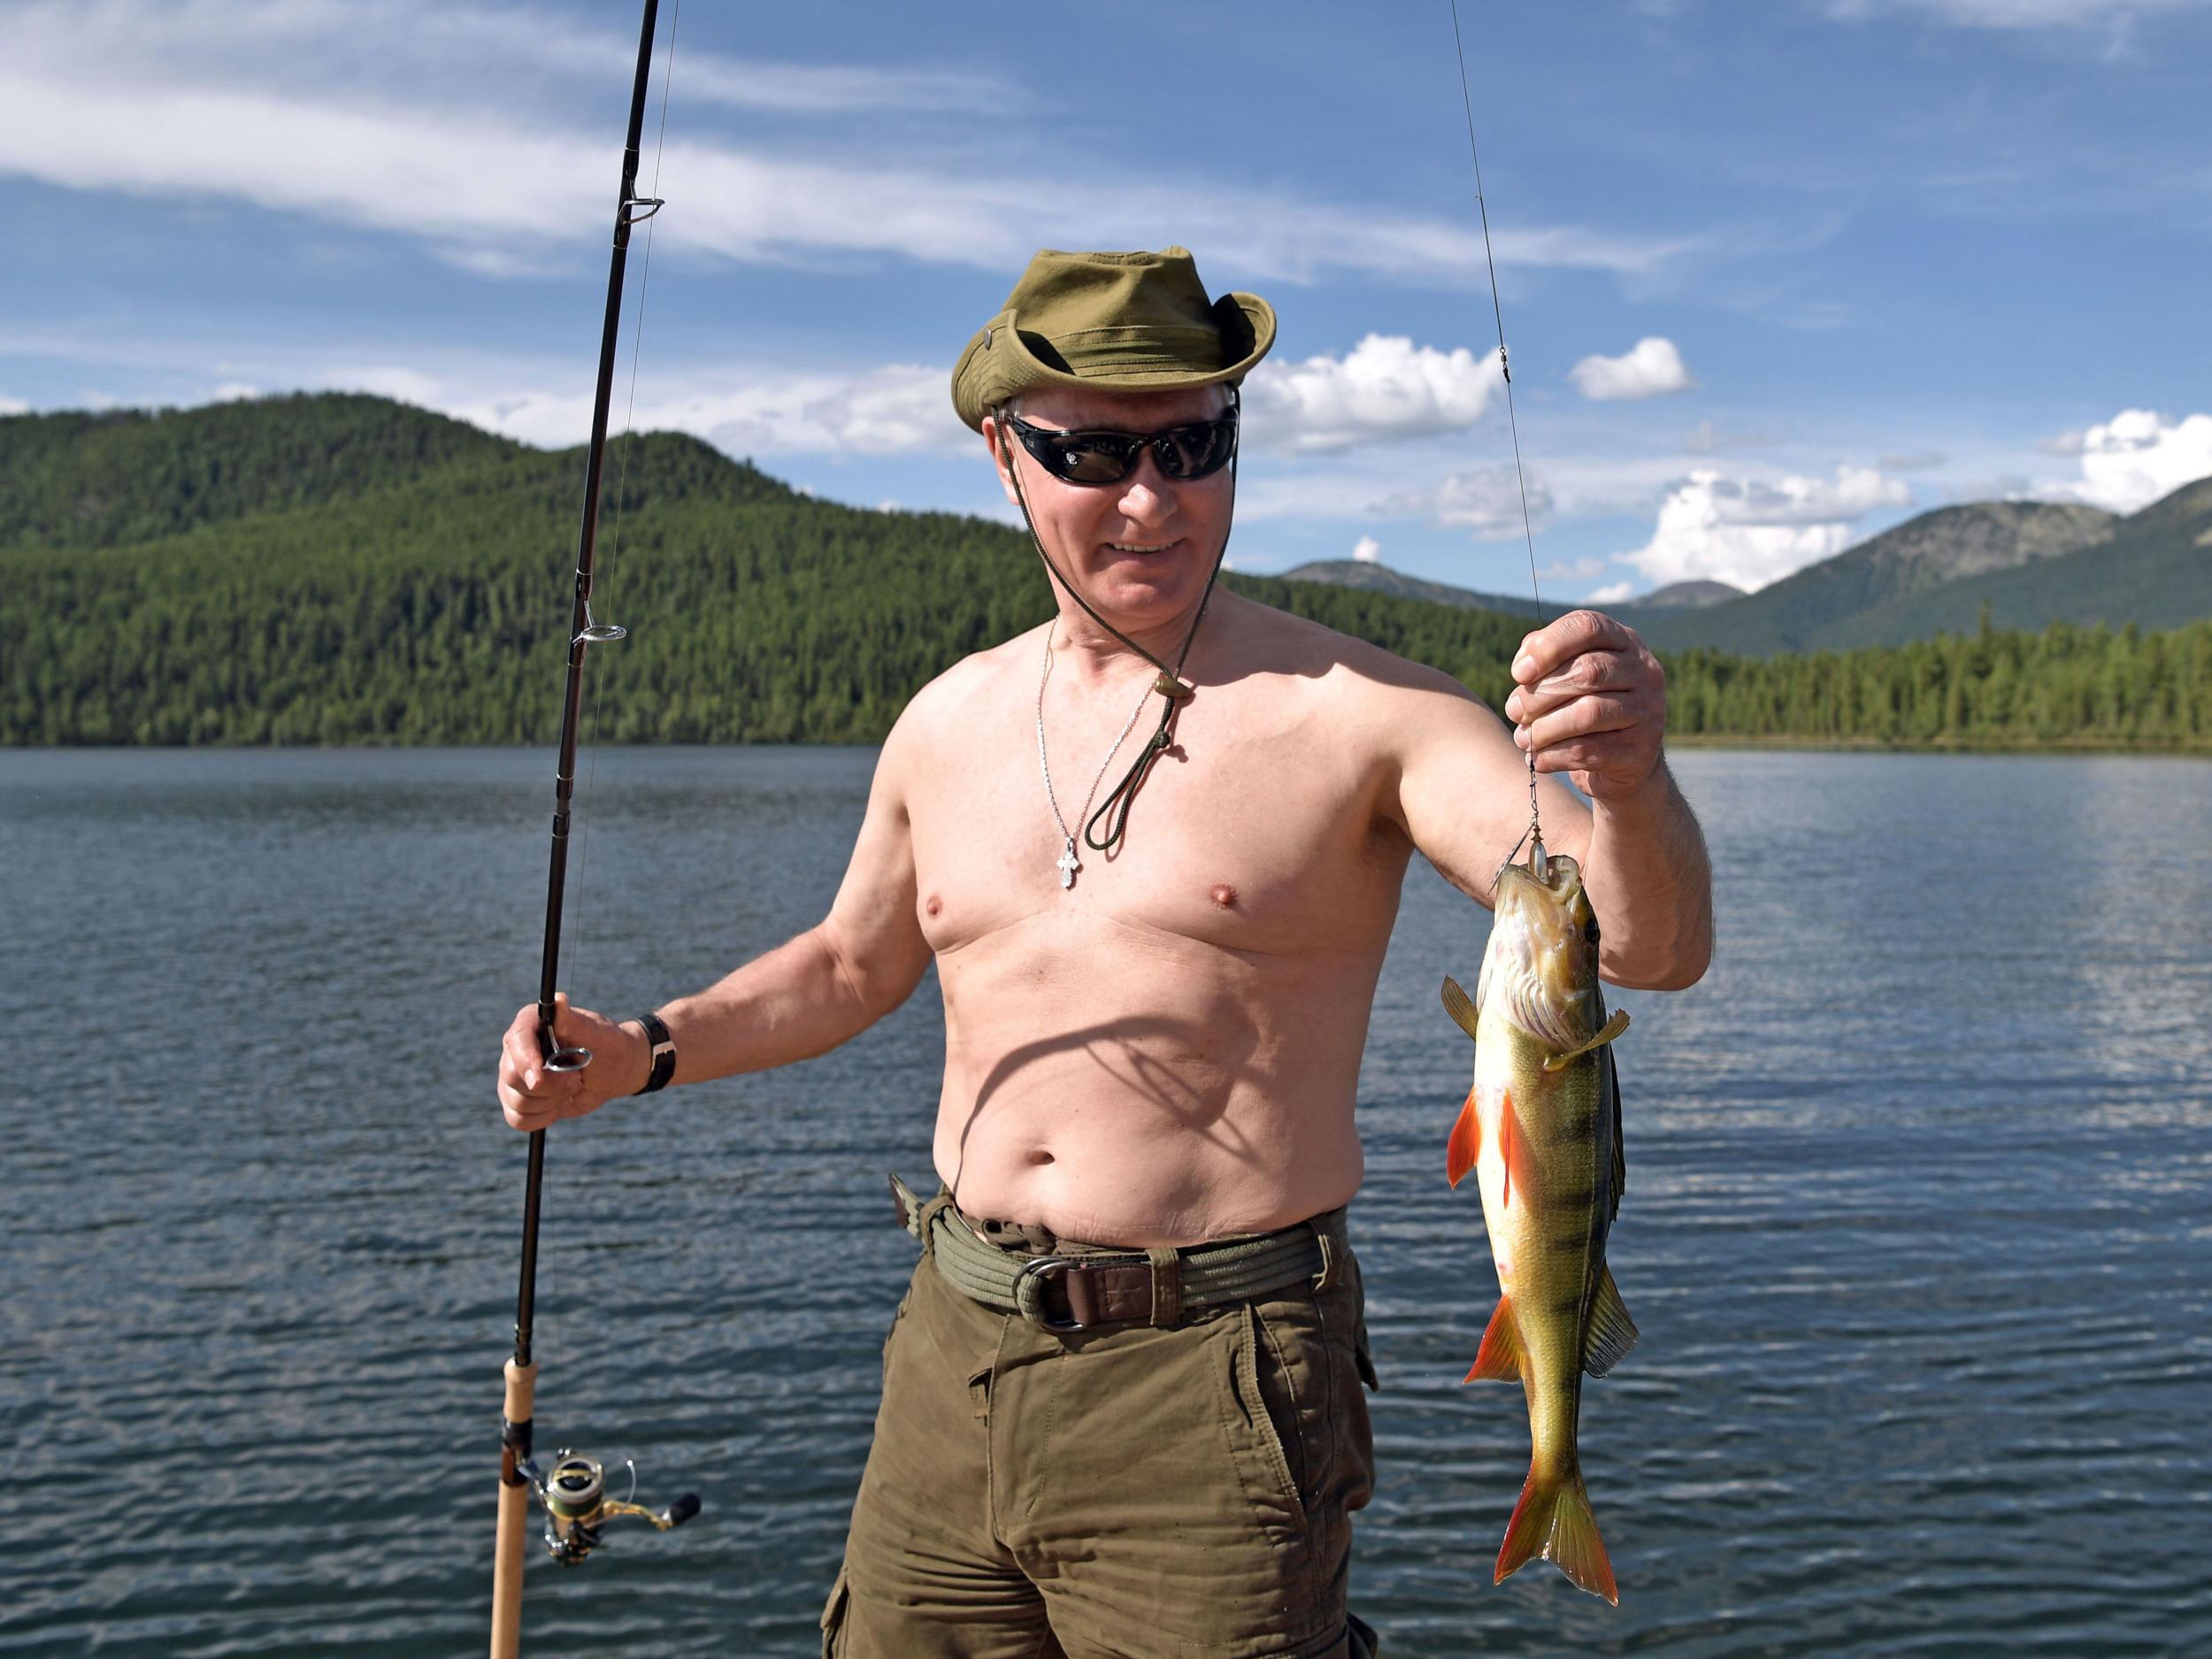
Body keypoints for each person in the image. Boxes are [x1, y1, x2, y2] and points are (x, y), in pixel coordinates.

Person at [495, 247, 1712, 1658]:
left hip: (1220, 1381)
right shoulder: (945, 723)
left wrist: (1627, 787)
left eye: (1195, 444)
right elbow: (847, 966)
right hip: (951, 1351)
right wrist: (639, 1053)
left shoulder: (1370, 715)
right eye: (1097, 452)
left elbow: (1643, 948)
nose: (1154, 497)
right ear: (1003, 453)